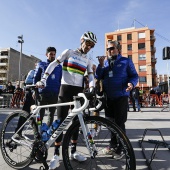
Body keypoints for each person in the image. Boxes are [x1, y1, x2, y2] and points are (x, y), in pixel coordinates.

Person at [36, 31, 97, 169]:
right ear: (82, 40)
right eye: (88, 43)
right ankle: (56, 154)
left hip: (78, 92)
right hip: (65, 91)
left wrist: (92, 87)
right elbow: (53, 64)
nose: (89, 47)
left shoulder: (88, 59)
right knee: (60, 123)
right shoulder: (69, 52)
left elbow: (91, 76)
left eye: (92, 45)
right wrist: (44, 79)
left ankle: (73, 151)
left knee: (77, 123)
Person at [96, 40, 138, 159]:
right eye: (108, 49)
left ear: (118, 49)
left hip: (121, 97)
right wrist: (100, 65)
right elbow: (98, 76)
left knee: (120, 124)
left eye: (112, 48)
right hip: (108, 98)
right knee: (110, 124)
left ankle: (121, 148)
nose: (110, 51)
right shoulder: (104, 63)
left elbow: (134, 75)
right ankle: (112, 145)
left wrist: (131, 83)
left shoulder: (126, 61)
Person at [33, 47, 62, 127]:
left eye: (54, 54)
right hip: (43, 93)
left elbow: (60, 80)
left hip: (54, 94)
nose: (52, 56)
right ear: (46, 55)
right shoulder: (41, 64)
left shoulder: (59, 66)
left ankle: (47, 132)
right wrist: (34, 91)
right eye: (50, 54)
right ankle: (38, 132)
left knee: (51, 115)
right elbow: (36, 78)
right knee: (40, 115)